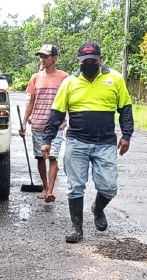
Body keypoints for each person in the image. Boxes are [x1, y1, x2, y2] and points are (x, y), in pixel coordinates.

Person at [42, 41, 134, 243]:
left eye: (93, 61)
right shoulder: (69, 82)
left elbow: (125, 109)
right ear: (79, 61)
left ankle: (98, 208)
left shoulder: (115, 79)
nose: (89, 64)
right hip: (77, 142)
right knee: (75, 187)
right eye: (85, 61)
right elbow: (56, 113)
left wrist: (127, 135)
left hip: (106, 143)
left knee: (109, 187)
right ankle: (77, 229)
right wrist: (47, 139)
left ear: (101, 60)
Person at [19, 44, 69, 203]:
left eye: (46, 56)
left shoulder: (64, 78)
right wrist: (24, 122)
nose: (43, 59)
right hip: (38, 124)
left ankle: (51, 192)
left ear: (55, 58)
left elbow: (69, 101)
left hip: (57, 125)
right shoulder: (35, 77)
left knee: (53, 157)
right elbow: (31, 102)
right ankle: (45, 187)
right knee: (41, 158)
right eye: (41, 56)